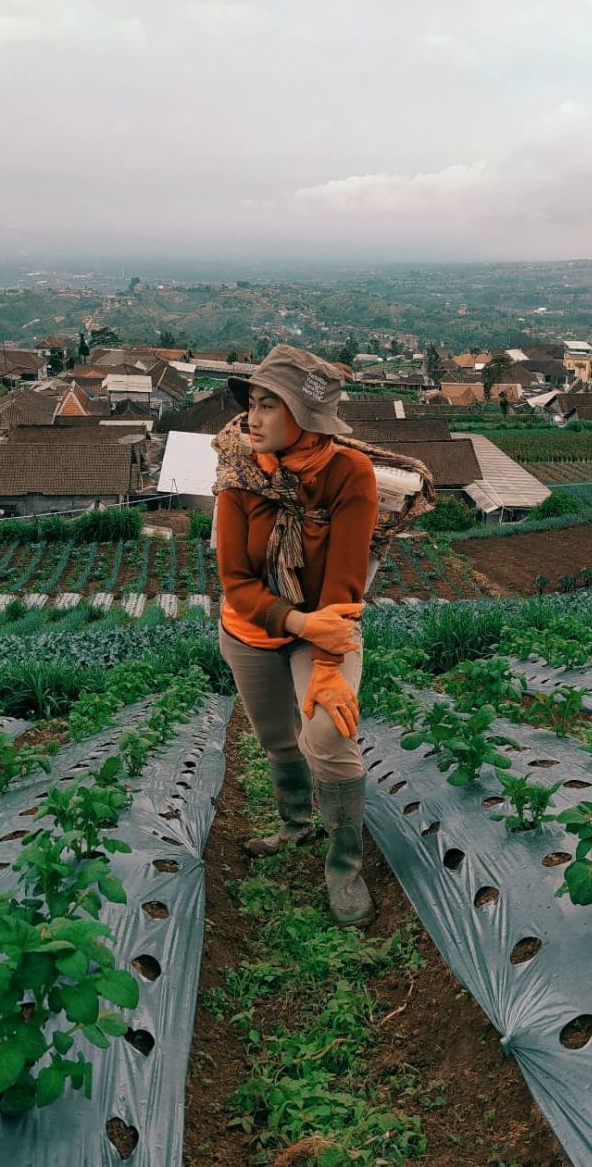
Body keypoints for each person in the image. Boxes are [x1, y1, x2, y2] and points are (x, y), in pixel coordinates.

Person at [212, 344, 379, 927]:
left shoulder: (347, 473)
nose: (250, 419)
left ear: (304, 416)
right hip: (253, 629)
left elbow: (345, 580)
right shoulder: (237, 474)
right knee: (279, 739)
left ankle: (344, 867)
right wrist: (296, 621)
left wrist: (329, 663)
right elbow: (235, 581)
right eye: (250, 404)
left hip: (326, 626)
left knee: (329, 736)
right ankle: (294, 826)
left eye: (267, 405)